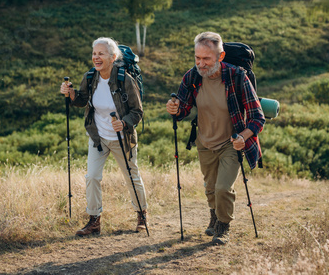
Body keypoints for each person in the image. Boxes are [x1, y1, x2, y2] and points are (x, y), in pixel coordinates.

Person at [166, 32, 265, 245]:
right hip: (205, 140)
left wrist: (243, 137)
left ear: (220, 57)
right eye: (197, 58)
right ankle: (214, 215)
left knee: (223, 188)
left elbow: (258, 117)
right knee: (210, 187)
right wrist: (174, 109)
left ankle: (223, 226)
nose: (200, 64)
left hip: (231, 142)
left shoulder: (237, 77)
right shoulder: (192, 77)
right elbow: (183, 110)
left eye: (206, 59)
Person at [60, 37, 148, 237]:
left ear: (112, 57)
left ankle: (142, 215)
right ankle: (94, 221)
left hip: (122, 137)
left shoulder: (125, 80)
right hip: (98, 136)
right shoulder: (90, 77)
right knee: (91, 177)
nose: (96, 57)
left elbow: (137, 112)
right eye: (94, 53)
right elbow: (82, 100)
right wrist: (70, 93)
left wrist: (124, 123)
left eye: (101, 54)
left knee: (131, 176)